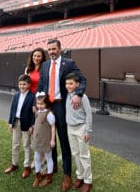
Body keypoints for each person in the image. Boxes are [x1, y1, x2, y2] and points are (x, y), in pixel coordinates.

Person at [37, 38, 86, 192]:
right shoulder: (44, 65)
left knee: (64, 140)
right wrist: (38, 103)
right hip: (48, 106)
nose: (51, 51)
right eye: (49, 49)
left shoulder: (68, 63)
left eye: (54, 49)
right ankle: (54, 166)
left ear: (60, 49)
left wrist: (78, 94)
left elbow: (82, 80)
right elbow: (41, 85)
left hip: (61, 106)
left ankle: (67, 174)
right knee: (48, 139)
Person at [65, 73, 93, 192]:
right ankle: (80, 176)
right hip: (70, 128)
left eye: (71, 83)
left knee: (84, 155)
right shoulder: (67, 95)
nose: (68, 86)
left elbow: (89, 114)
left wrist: (88, 131)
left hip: (81, 128)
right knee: (75, 153)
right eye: (66, 83)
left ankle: (88, 181)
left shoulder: (83, 97)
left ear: (77, 84)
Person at [4, 74, 35, 179]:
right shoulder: (16, 95)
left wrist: (32, 125)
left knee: (26, 145)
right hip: (16, 122)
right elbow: (12, 110)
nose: (22, 86)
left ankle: (27, 166)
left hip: (26, 124)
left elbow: (33, 113)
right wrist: (10, 122)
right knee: (15, 144)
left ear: (29, 85)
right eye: (20, 84)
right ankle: (14, 164)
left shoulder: (32, 96)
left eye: (24, 84)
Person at [31, 91, 56, 188]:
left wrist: (52, 140)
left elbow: (53, 127)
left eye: (42, 104)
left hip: (46, 140)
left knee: (48, 158)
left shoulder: (49, 114)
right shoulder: (37, 112)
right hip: (37, 140)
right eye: (38, 103)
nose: (39, 106)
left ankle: (49, 177)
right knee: (37, 157)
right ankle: (37, 176)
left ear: (47, 103)